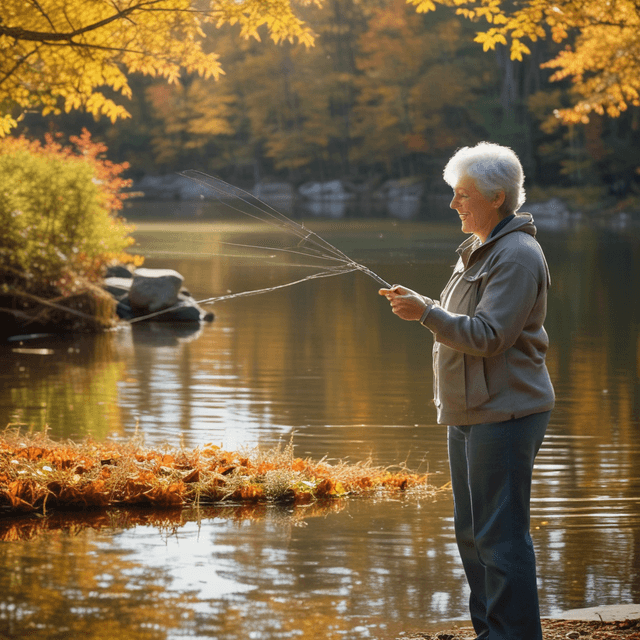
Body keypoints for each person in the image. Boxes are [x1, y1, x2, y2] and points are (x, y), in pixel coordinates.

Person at [380, 142, 554, 640]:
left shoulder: (517, 254)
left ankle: (513, 636)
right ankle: (491, 632)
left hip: (506, 413)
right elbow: (468, 319)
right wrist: (425, 304)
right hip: (469, 411)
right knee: (473, 536)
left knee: (500, 537)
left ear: (496, 197)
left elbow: (488, 336)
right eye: (453, 194)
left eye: (463, 195)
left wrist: (427, 314)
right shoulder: (480, 248)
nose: (454, 204)